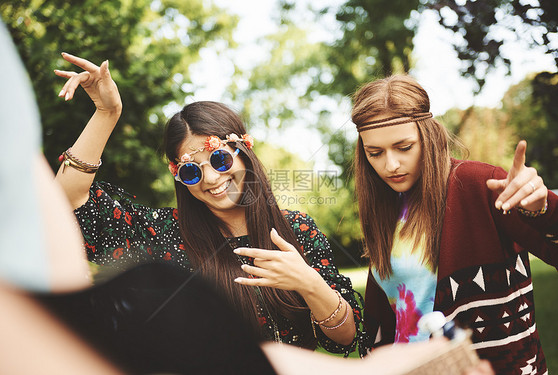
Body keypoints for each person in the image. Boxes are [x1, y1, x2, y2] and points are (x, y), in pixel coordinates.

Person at [53, 52, 361, 354]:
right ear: (178, 176)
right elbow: (67, 202)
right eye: (190, 170)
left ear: (243, 151)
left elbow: (346, 339)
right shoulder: (163, 234)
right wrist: (107, 114)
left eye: (219, 158)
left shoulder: (297, 230)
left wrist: (309, 283)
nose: (211, 178)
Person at [351, 74, 558, 374]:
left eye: (404, 147)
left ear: (428, 134)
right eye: (375, 153)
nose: (391, 165)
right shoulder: (383, 208)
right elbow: (387, 318)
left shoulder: (477, 184)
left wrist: (543, 209)